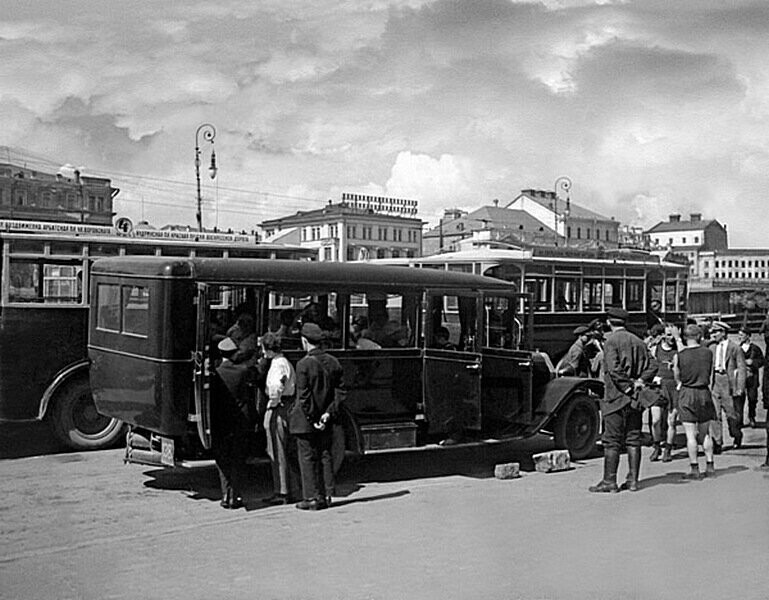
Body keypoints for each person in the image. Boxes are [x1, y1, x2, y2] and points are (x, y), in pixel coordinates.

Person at [589, 307, 656, 493]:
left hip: (615, 398)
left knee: (611, 441)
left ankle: (609, 482)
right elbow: (653, 365)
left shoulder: (611, 341)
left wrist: (626, 387)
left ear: (609, 322)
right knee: (633, 439)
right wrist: (640, 381)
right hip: (635, 399)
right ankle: (633, 481)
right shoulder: (638, 341)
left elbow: (614, 369)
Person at [289, 323, 346, 511]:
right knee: (325, 455)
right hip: (327, 418)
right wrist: (327, 414)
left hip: (307, 420)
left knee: (307, 457)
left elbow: (304, 396)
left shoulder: (303, 364)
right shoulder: (333, 362)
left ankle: (311, 497)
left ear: (305, 341)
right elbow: (339, 392)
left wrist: (313, 418)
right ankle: (327, 495)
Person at [211, 337, 256, 509]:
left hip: (221, 422)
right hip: (239, 422)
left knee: (223, 460)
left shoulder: (216, 374)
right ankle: (235, 496)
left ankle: (225, 494)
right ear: (234, 353)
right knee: (237, 460)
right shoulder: (243, 371)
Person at [673, 324, 716, 479]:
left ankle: (694, 468)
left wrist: (680, 383)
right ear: (699, 336)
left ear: (685, 337)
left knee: (690, 436)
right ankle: (710, 466)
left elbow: (677, 375)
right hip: (704, 392)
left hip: (687, 392)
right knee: (705, 433)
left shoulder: (680, 355)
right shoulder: (708, 353)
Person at [260, 332, 297, 506]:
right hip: (286, 405)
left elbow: (277, 387)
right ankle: (286, 489)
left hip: (279, 408)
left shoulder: (278, 366)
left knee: (277, 450)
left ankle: (282, 491)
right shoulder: (284, 362)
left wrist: (271, 404)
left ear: (268, 349)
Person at [709, 321, 746, 452]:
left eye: (716, 332)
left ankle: (736, 435)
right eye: (712, 332)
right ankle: (717, 442)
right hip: (715, 382)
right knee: (714, 413)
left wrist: (740, 387)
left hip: (728, 382)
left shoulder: (735, 348)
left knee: (731, 414)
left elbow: (741, 368)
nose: (713, 335)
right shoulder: (711, 348)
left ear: (723, 333)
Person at [650, 325, 680, 462]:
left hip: (673, 386)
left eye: (673, 335)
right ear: (662, 335)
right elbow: (648, 364)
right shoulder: (655, 348)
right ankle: (656, 446)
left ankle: (668, 449)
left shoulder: (678, 350)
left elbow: (684, 358)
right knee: (656, 420)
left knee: (671, 421)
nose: (671, 338)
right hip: (657, 386)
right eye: (668, 335)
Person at [737, 326, 763, 429]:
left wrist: (754, 362)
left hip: (752, 377)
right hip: (741, 377)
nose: (740, 337)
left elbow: (762, 361)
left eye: (742, 335)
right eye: (739, 335)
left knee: (752, 398)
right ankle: (740, 420)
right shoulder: (737, 348)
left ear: (748, 336)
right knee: (740, 399)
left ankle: (752, 417)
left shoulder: (755, 348)